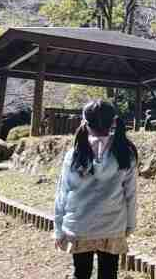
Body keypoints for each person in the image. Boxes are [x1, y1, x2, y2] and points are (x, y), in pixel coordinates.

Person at [54, 100, 138, 279]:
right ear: (114, 122)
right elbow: (130, 195)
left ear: (84, 122)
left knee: (81, 274)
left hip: (79, 226)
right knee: (109, 275)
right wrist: (130, 225)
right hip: (113, 226)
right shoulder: (125, 153)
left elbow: (62, 194)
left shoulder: (74, 154)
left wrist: (58, 229)